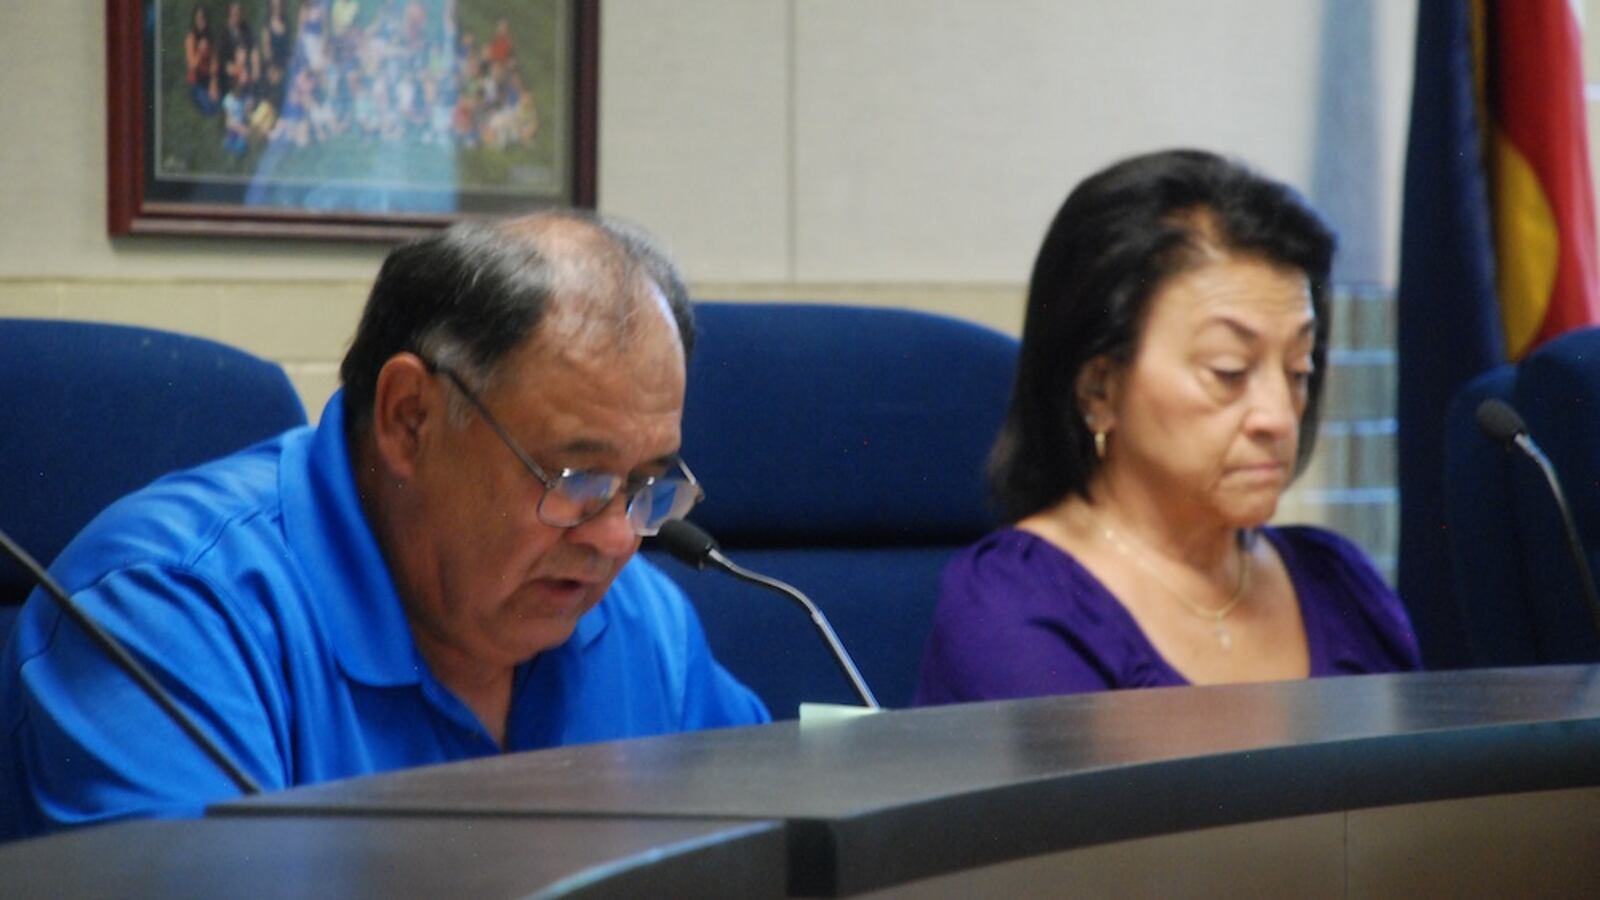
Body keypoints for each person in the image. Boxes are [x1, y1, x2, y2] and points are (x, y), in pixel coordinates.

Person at [0, 211, 769, 840]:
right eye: (578, 479)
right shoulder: (165, 613)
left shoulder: (641, 622)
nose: (616, 540)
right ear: (411, 420)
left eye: (645, 483)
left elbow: (784, 844)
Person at [915, 149, 1420, 705]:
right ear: (1099, 389)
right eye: (1228, 372)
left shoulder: (1342, 586)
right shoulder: (1018, 605)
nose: (1278, 417)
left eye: (1298, 369)